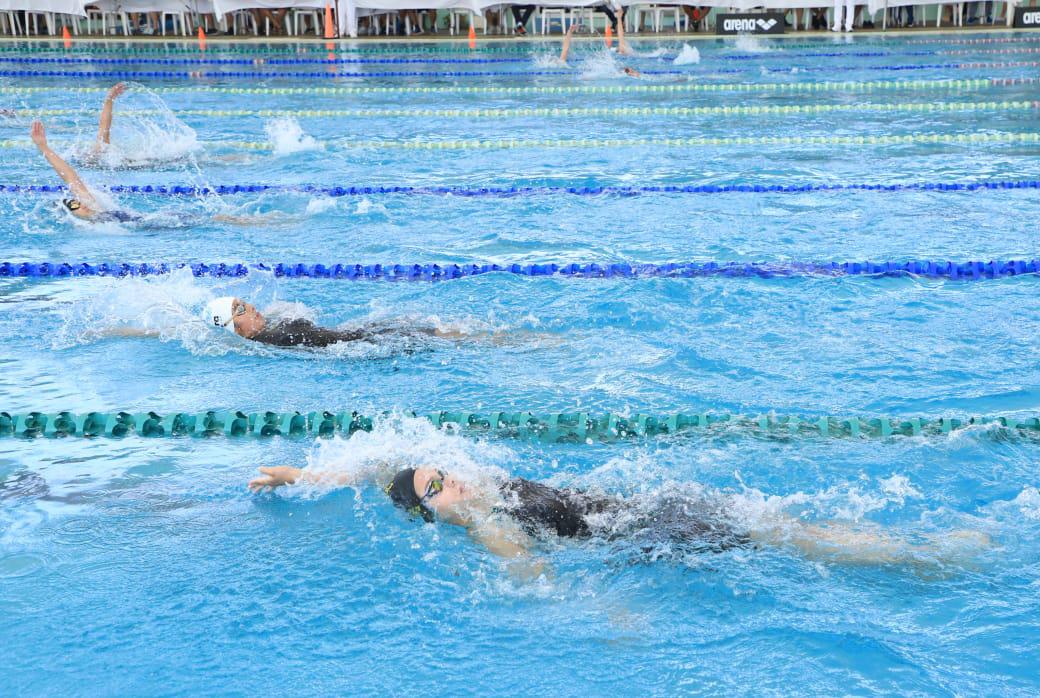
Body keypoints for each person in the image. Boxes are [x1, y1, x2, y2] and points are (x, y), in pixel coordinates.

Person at [248, 463, 991, 576]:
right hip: (650, 531)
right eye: (438, 483)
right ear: (434, 513)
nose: (450, 473)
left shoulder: (474, 494)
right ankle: (924, 556)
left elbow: (377, 473)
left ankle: (921, 552)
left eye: (440, 467)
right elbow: (530, 571)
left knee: (784, 527)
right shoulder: (482, 522)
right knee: (785, 534)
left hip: (647, 511)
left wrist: (298, 474)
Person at [203, 296, 468, 348]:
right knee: (436, 335)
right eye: (240, 309)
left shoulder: (266, 331)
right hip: (362, 344)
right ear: (237, 331)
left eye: (245, 302)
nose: (251, 307)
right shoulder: (272, 339)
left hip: (355, 335)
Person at [559, 23, 640, 77]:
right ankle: (630, 73)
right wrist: (569, 32)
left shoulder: (562, 65)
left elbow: (565, 50)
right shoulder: (562, 64)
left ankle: (629, 73)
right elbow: (565, 49)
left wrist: (569, 32)